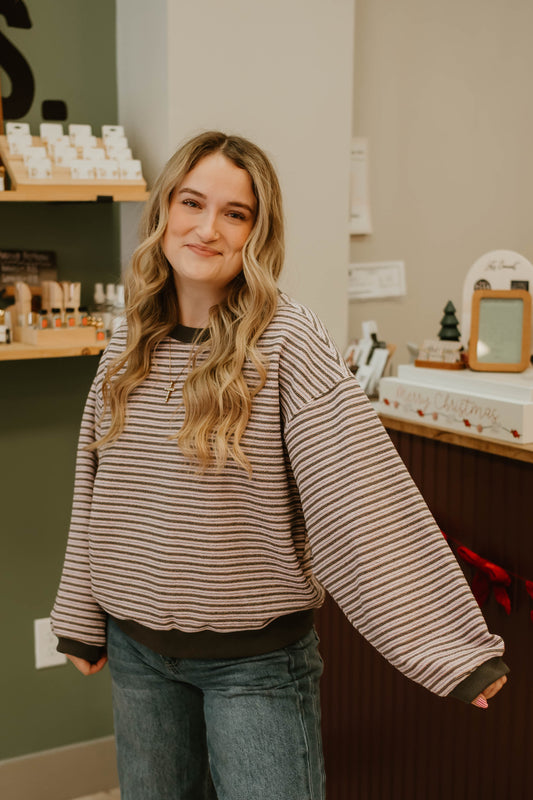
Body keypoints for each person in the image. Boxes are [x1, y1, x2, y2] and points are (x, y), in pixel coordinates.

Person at [51, 131, 508, 800]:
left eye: (234, 213)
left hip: (254, 665)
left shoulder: (287, 340)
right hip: (137, 652)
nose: (207, 228)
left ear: (256, 234)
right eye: (191, 202)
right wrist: (80, 617)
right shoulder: (126, 339)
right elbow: (97, 489)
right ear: (164, 211)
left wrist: (450, 649)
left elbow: (359, 496)